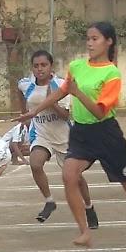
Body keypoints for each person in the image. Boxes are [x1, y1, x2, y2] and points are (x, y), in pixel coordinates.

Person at [13, 22, 126, 246]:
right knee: (69, 176)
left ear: (108, 42)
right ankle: (85, 230)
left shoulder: (111, 73)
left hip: (106, 134)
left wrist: (77, 93)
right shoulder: (77, 66)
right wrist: (34, 111)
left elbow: (99, 112)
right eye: (88, 38)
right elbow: (60, 92)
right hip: (81, 133)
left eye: (95, 39)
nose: (89, 43)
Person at [17, 50, 99, 226]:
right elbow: (20, 91)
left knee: (75, 177)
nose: (40, 69)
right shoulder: (26, 84)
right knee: (35, 163)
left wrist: (51, 101)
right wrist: (24, 114)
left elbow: (65, 116)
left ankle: (89, 207)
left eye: (44, 65)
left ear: (50, 66)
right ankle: (49, 201)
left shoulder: (62, 85)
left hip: (63, 136)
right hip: (41, 133)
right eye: (36, 66)